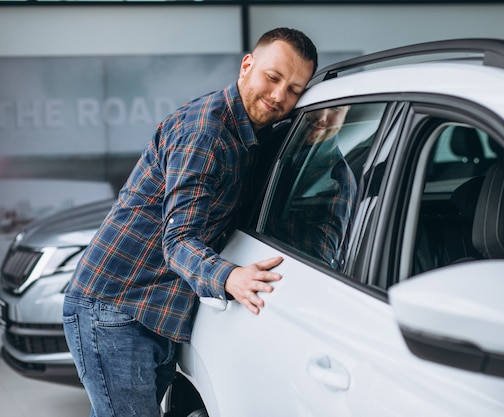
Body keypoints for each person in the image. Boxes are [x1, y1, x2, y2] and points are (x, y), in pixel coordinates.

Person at [62, 27, 317, 417]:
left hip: (154, 309)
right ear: (247, 66)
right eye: (273, 77)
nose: (280, 95)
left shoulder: (254, 134)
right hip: (114, 308)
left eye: (295, 89)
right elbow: (178, 239)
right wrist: (228, 277)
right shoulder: (206, 132)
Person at [265, 105, 357, 268]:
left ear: (347, 110)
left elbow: (315, 266)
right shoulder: (276, 135)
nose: (322, 117)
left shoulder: (337, 181)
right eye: (320, 106)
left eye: (335, 108)